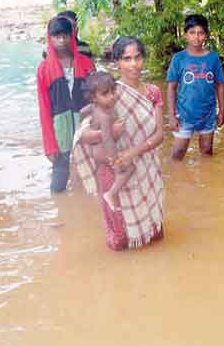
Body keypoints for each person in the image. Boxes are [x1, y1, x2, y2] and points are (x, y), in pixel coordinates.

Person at [72, 36, 165, 251]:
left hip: (146, 168)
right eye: (126, 58)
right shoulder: (108, 92)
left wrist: (134, 151)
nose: (133, 64)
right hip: (115, 172)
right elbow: (82, 135)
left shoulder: (152, 92)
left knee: (155, 234)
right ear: (117, 62)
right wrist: (108, 132)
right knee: (121, 239)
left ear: (144, 59)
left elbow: (160, 134)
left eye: (138, 57)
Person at [37, 16, 96, 193]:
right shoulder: (44, 69)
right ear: (50, 38)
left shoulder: (86, 64)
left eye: (65, 36)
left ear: (72, 36)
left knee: (91, 173)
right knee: (59, 178)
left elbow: (96, 97)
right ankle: (61, 209)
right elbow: (44, 109)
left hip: (85, 123)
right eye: (56, 36)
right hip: (59, 127)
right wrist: (49, 145)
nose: (61, 40)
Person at [166, 14, 224, 160]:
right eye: (192, 32)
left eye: (200, 33)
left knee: (206, 151)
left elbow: (220, 85)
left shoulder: (213, 58)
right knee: (178, 153)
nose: (196, 37)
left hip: (208, 114)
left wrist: (222, 111)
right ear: (185, 34)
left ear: (206, 35)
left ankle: (207, 181)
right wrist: (172, 115)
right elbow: (171, 87)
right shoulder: (179, 58)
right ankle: (177, 180)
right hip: (184, 115)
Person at [81, 71, 132, 212]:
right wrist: (116, 161)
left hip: (97, 149)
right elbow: (108, 140)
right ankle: (111, 194)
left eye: (112, 91)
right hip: (102, 150)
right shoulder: (104, 116)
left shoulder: (95, 106)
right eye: (105, 94)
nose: (111, 97)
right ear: (94, 97)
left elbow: (82, 111)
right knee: (129, 166)